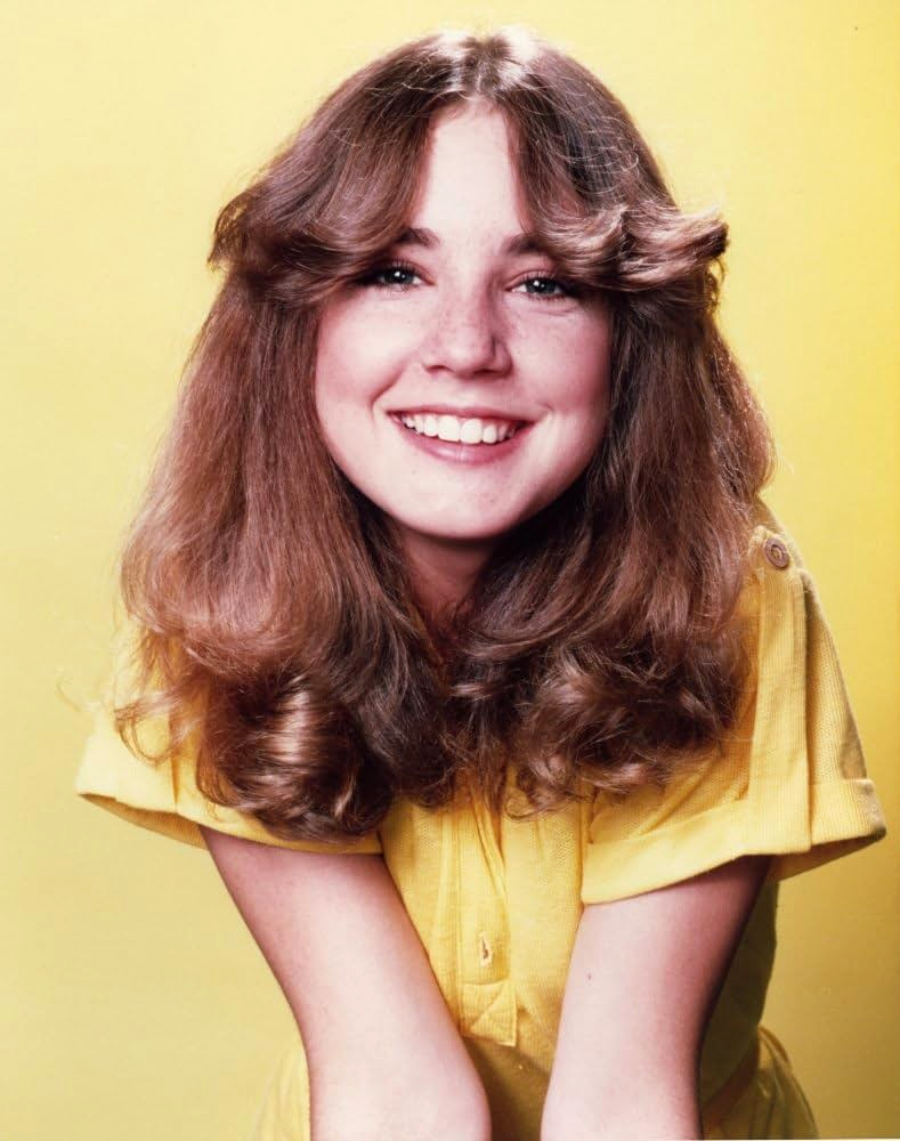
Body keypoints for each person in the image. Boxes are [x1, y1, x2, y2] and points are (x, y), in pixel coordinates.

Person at [74, 25, 887, 1141]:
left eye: (544, 282)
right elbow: (399, 1094)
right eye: (395, 272)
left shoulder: (724, 599)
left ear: (630, 337)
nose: (465, 345)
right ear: (297, 320)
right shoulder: (225, 604)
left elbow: (621, 1109)